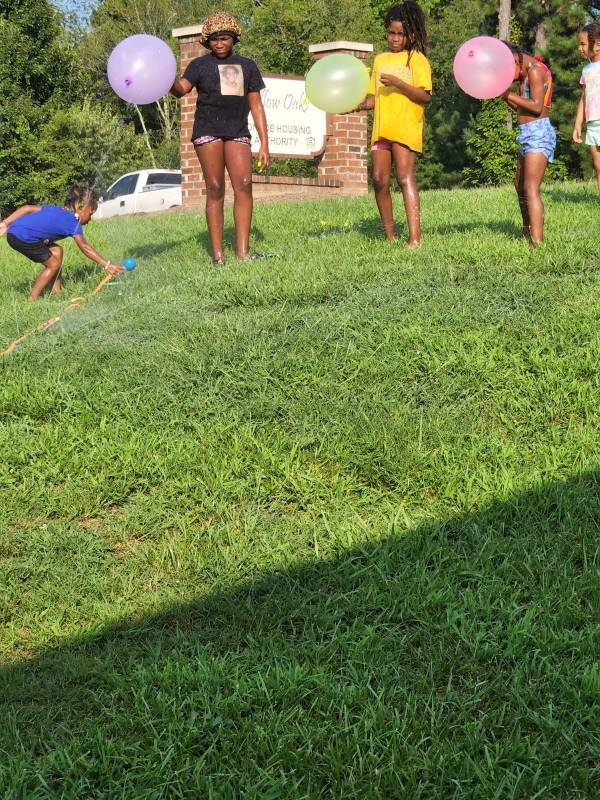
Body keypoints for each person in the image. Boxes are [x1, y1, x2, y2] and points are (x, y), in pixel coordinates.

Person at [171, 12, 270, 265]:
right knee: (215, 188)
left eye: (224, 38)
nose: (219, 43)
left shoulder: (247, 66)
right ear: (207, 41)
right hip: (207, 130)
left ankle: (243, 253)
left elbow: (256, 106)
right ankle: (218, 256)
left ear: (234, 38)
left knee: (244, 184)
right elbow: (181, 89)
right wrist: (165, 78)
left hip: (238, 132)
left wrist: (264, 144)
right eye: (214, 39)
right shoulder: (199, 65)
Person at [355, 2, 431, 246]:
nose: (395, 38)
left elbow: (424, 96)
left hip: (405, 127)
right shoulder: (380, 60)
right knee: (378, 179)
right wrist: (355, 105)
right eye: (391, 32)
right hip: (382, 129)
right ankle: (390, 237)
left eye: (401, 34)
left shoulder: (417, 60)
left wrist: (399, 83)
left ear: (411, 35)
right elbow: (374, 98)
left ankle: (415, 239)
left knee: (404, 177)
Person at [0, 187, 124, 300]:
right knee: (53, 265)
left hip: (16, 232)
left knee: (57, 251)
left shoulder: (58, 209)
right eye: (90, 214)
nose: (90, 219)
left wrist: (5, 223)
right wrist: (108, 265)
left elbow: (26, 208)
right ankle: (32, 299)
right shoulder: (72, 223)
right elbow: (85, 248)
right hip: (23, 238)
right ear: (80, 208)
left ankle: (57, 293)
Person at [502, 45, 556, 245]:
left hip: (538, 133)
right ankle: (527, 229)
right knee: (520, 185)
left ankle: (537, 242)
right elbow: (520, 107)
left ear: (515, 58)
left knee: (531, 187)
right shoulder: (525, 74)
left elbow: (536, 106)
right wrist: (505, 95)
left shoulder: (535, 71)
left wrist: (508, 94)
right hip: (526, 133)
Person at [572, 21, 600, 194]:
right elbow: (584, 97)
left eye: (583, 44)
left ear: (597, 45)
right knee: (598, 165)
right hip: (592, 124)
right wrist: (577, 124)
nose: (579, 48)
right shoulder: (586, 69)